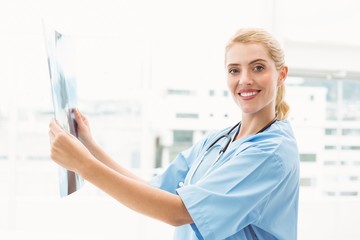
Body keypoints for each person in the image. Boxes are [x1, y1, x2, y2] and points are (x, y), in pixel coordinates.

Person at [48, 28, 300, 240]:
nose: (245, 79)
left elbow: (178, 211)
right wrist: (90, 147)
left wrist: (83, 165)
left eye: (258, 68)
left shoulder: (271, 153)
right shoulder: (220, 140)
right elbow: (154, 191)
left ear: (281, 74)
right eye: (234, 70)